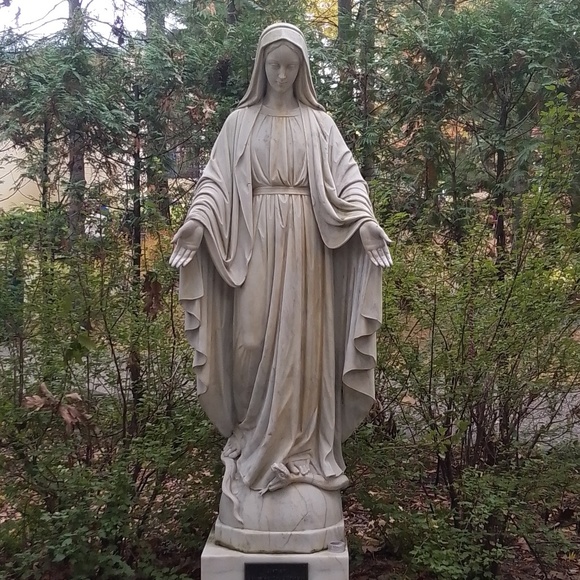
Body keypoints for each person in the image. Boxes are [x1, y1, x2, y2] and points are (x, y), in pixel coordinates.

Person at [170, 23, 392, 496]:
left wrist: (365, 222)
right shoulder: (239, 123)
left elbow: (348, 178)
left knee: (303, 349)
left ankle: (299, 450)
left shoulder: (320, 125)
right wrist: (198, 221)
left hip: (307, 245)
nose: (282, 74)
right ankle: (251, 437)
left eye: (291, 66)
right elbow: (216, 181)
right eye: (274, 65)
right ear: (261, 65)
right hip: (253, 240)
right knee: (248, 341)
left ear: (302, 69)